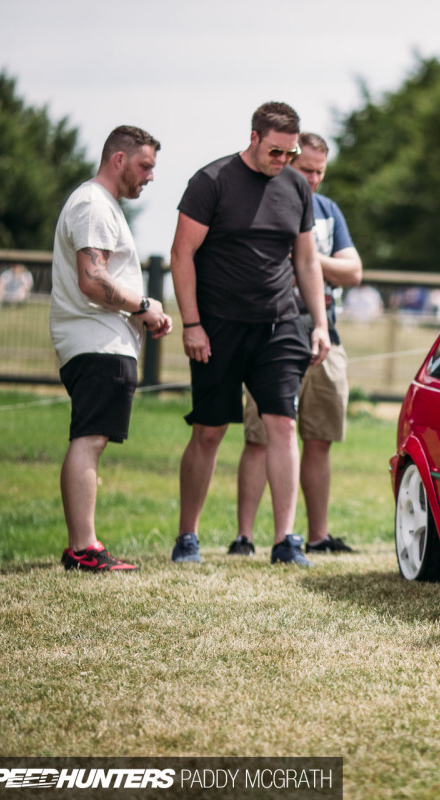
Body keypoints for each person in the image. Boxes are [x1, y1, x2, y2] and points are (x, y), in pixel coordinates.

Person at [170, 102, 331, 567]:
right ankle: (188, 537)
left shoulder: (296, 186)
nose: (282, 160)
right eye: (275, 151)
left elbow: (305, 260)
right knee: (209, 430)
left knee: (281, 424)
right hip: (217, 327)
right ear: (255, 137)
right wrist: (192, 323)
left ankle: (286, 540)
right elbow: (182, 255)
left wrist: (318, 324)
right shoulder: (211, 181)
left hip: (280, 324)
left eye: (290, 152)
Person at [233, 132, 362, 557]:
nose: (313, 179)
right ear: (288, 163)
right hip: (270, 334)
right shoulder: (264, 204)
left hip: (327, 336)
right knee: (260, 437)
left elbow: (353, 272)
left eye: (320, 172)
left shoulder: (328, 211)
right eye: (305, 169)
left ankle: (318, 535)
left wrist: (307, 258)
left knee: (318, 437)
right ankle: (245, 537)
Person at [50, 125, 170, 572]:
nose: (150, 177)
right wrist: (145, 305)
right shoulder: (93, 205)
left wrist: (142, 314)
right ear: (118, 160)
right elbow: (92, 279)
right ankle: (83, 548)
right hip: (96, 340)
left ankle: (84, 545)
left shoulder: (101, 206)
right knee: (90, 438)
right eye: (145, 166)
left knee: (92, 438)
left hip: (104, 339)